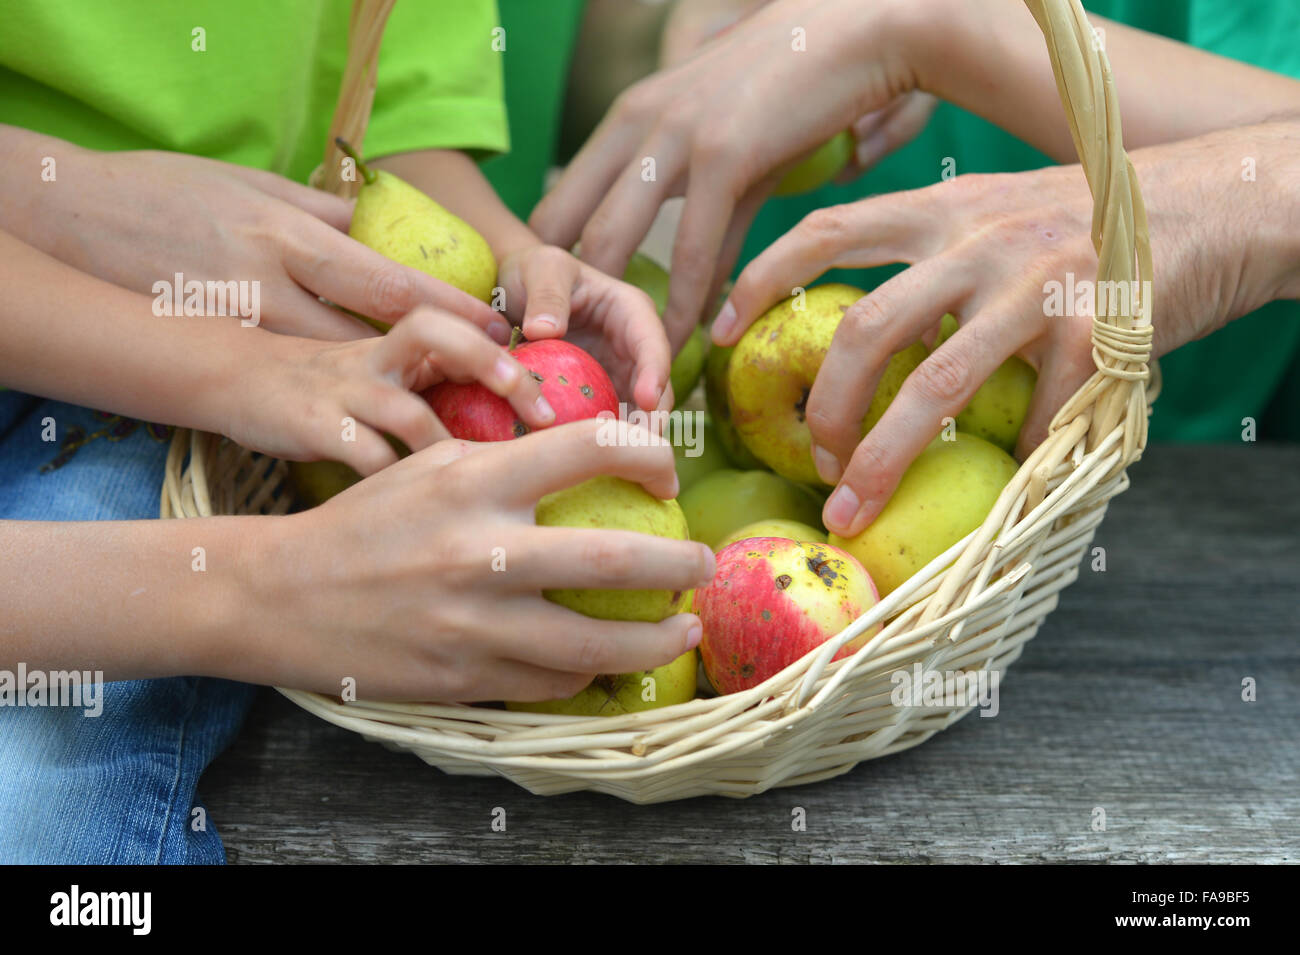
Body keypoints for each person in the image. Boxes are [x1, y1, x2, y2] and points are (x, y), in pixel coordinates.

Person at [0, 1, 712, 864]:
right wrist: (258, 586)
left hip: (196, 395)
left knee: (35, 813)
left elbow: (386, 130)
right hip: (206, 368)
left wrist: (505, 279)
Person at [532, 0, 1300, 536]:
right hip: (797, 456)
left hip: (1218, 519)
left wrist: (936, 32)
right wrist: (702, 33)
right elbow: (551, 55)